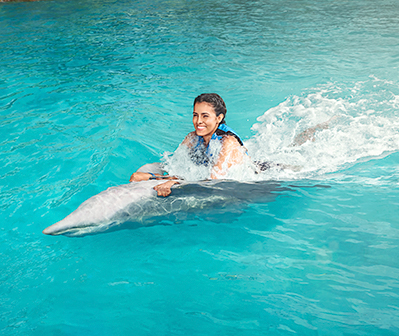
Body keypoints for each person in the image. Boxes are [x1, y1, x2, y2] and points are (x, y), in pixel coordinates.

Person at [130, 93, 246, 196]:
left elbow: (213, 183)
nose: (198, 121)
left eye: (205, 116)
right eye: (195, 115)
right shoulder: (193, 137)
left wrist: (157, 178)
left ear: (219, 118)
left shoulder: (228, 142)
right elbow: (175, 167)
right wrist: (163, 177)